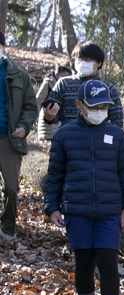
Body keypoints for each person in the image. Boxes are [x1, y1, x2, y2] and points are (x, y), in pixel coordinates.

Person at [44, 80, 124, 295]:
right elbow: (55, 175)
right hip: (77, 211)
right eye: (94, 106)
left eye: (104, 106)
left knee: (108, 261)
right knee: (84, 262)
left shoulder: (117, 136)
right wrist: (52, 206)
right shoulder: (64, 135)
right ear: (79, 105)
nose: (100, 110)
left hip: (109, 211)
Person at [0, 32, 38, 240]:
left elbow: (31, 106)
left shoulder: (19, 76)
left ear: (4, 47)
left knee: (11, 187)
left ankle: (7, 227)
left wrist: (24, 126)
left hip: (9, 138)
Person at [43, 41, 123, 128]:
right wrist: (49, 116)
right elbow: (52, 115)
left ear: (99, 63)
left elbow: (117, 121)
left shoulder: (108, 88)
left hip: (97, 138)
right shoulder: (63, 83)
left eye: (87, 60)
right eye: (79, 59)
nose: (82, 63)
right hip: (68, 136)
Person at [36, 64, 71, 140]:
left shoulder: (66, 86)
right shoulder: (48, 83)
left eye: (67, 75)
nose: (65, 77)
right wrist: (35, 116)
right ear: (56, 74)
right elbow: (38, 100)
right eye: (64, 75)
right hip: (48, 118)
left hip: (60, 120)